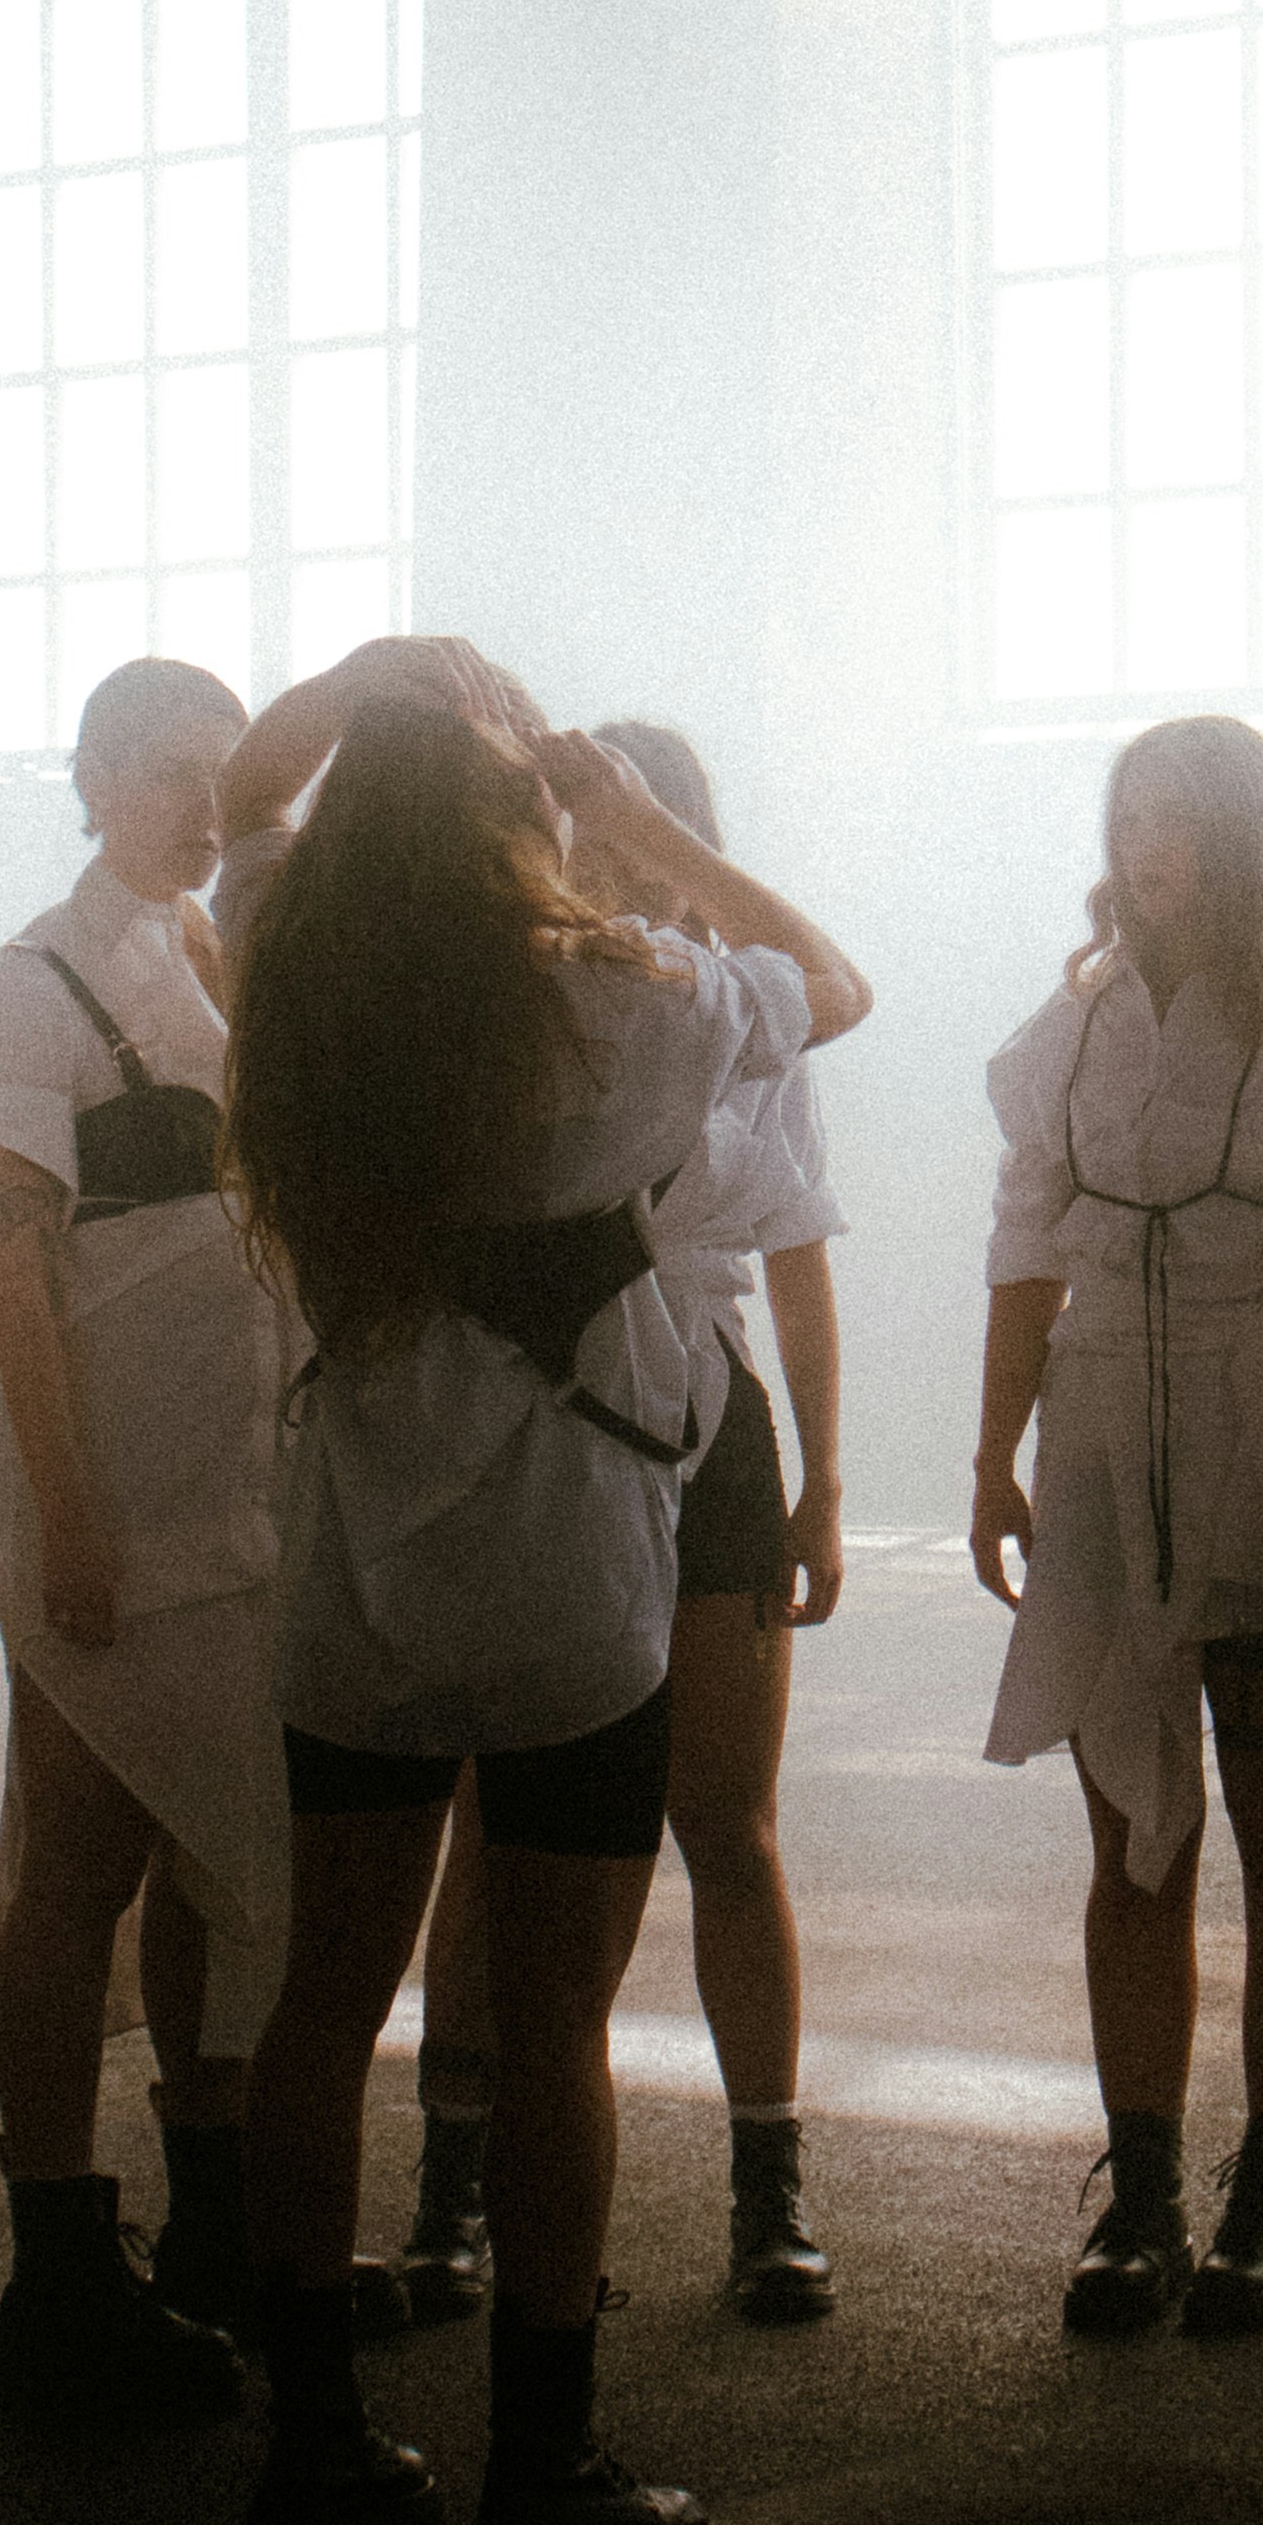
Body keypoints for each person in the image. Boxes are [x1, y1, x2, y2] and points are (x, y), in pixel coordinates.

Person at [213, 648, 873, 2525]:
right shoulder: (619, 994)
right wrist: (650, 827)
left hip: (356, 1561)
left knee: (327, 2001)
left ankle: (314, 2443)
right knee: (563, 2021)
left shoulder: (298, 983)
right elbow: (833, 987)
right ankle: (544, 2457)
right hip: (577, 1569)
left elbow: (250, 807)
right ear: (532, 822)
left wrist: (362, 677)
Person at [395, 716, 851, 2328]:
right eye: (572, 824)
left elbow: (795, 1249)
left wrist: (822, 1482)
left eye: (629, 829)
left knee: (725, 1820)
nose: (599, 853)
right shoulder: (521, 990)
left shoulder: (736, 1008)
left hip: (708, 1408)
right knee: (488, 1824)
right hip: (541, 1401)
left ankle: (767, 2185)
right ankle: (453, 2182)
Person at [971, 718, 1263, 2345]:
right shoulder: (1069, 1032)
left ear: (1244, 842)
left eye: (1182, 824)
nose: (1151, 850)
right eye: (1129, 820)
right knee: (1130, 1843)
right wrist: (992, 1450)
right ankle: (1139, 2200)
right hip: (1098, 1448)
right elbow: (1026, 1240)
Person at [0, 658, 278, 2440]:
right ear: (96, 779)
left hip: (252, 1471)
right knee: (79, 1852)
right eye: (170, 772)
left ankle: (214, 2222)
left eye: (228, 771)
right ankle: (56, 2267)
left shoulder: (244, 961)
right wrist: (69, 1512)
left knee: (225, 1847)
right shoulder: (25, 982)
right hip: (107, 1475)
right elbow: (15, 1264)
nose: (204, 805)